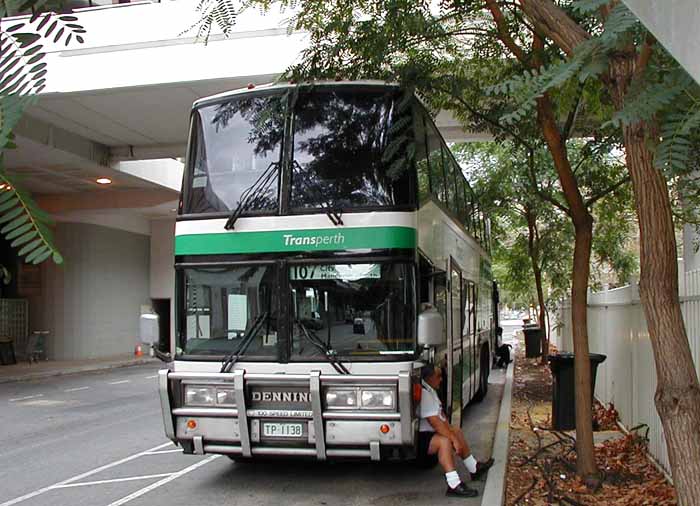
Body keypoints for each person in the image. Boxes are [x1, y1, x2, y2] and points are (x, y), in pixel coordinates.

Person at [418, 363, 494, 498]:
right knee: (444, 442)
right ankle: (453, 484)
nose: (441, 379)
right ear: (429, 378)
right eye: (438, 376)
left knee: (456, 431)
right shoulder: (425, 394)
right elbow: (435, 423)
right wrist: (454, 440)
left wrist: (454, 434)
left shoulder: (430, 390)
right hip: (422, 440)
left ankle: (474, 468)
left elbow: (442, 419)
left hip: (430, 434)